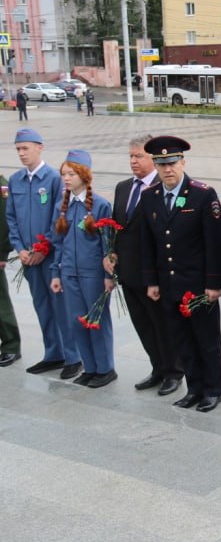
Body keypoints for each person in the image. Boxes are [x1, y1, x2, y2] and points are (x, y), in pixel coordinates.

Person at [139, 136, 221, 412]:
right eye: (162, 164)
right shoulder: (149, 197)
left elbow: (216, 243)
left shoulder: (202, 195)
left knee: (207, 342)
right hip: (169, 284)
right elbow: (147, 242)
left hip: (198, 286)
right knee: (183, 341)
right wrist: (151, 280)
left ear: (183, 162)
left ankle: (213, 390)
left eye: (173, 163)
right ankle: (194, 388)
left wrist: (214, 284)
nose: (168, 169)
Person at [107, 136, 183, 396]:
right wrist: (112, 254)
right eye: (130, 156)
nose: (133, 161)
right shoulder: (123, 187)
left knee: (163, 325)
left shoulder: (165, 188)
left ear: (152, 158)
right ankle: (158, 368)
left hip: (155, 274)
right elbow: (118, 227)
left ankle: (174, 371)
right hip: (128, 272)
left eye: (138, 156)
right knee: (143, 325)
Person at [7, 128, 78, 376]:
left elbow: (59, 217)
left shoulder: (55, 179)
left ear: (40, 147)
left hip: (51, 257)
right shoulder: (15, 180)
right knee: (42, 306)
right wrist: (20, 249)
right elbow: (11, 218)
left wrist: (43, 247)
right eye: (18, 149)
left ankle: (73, 357)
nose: (21, 153)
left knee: (61, 306)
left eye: (25, 148)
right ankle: (53, 354)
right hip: (29, 258)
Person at [49, 150, 116, 387]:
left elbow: (108, 245)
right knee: (77, 321)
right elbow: (57, 243)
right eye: (63, 174)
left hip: (93, 275)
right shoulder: (62, 207)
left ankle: (105, 368)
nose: (66, 179)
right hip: (69, 273)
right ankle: (89, 367)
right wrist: (56, 273)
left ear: (84, 175)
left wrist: (109, 276)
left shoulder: (100, 206)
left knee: (96, 320)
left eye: (72, 173)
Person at [0, 172, 22, 367]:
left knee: (0, 302)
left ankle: (11, 346)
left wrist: (2, 253)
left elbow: (5, 222)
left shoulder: (2, 186)